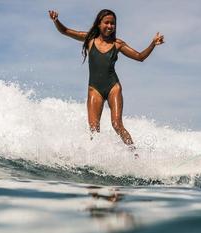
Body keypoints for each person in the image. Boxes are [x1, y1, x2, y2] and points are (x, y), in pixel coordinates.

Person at [48, 9, 164, 154]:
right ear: (99, 24)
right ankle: (96, 159)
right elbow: (65, 31)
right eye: (107, 23)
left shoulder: (117, 44)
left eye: (113, 23)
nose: (110, 26)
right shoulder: (89, 39)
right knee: (93, 129)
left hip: (112, 87)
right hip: (94, 89)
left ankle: (135, 154)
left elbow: (140, 57)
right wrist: (56, 20)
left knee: (117, 124)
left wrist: (153, 43)